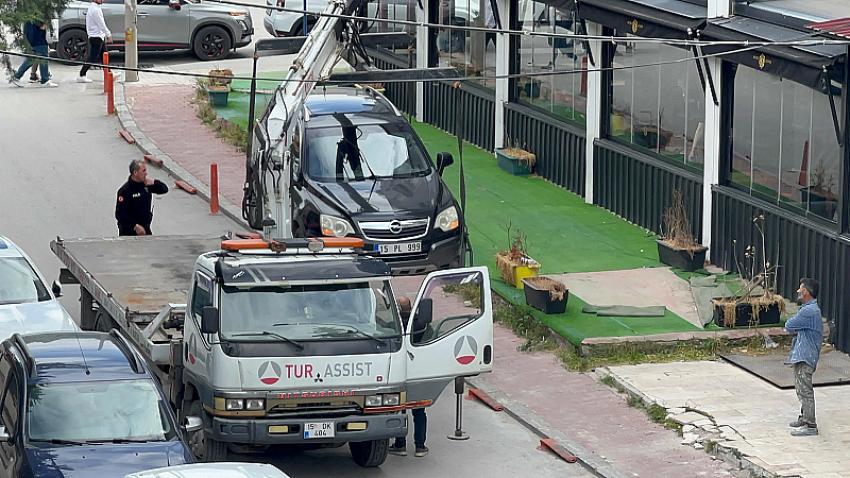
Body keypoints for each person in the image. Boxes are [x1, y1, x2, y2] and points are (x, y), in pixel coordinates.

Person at [389, 295, 428, 458]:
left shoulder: (393, 326)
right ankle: (420, 446)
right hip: (417, 373)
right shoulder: (420, 324)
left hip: (400, 373)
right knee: (419, 412)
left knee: (400, 410)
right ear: (411, 308)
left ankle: (400, 445)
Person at [785, 277, 823, 437]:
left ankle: (810, 424)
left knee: (805, 390)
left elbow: (789, 325)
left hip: (806, 357)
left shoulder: (809, 311)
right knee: (801, 388)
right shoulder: (809, 309)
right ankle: (804, 417)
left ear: (806, 292)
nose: (798, 291)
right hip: (803, 355)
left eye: (800, 289)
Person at [115, 160, 168, 236]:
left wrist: (154, 182)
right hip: (129, 231)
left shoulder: (146, 185)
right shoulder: (124, 191)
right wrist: (135, 226)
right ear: (135, 173)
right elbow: (120, 214)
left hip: (145, 228)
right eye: (143, 171)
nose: (146, 173)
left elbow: (164, 189)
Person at [8, 21, 58, 88]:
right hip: (38, 39)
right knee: (43, 58)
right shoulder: (38, 14)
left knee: (31, 59)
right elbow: (43, 26)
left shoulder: (29, 15)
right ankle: (45, 79)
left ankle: (17, 76)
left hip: (31, 37)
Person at [78, 0, 112, 83]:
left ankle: (109, 73)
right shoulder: (95, 10)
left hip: (98, 36)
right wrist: (108, 34)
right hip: (96, 36)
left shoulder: (94, 8)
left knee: (104, 55)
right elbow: (101, 24)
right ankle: (82, 74)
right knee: (93, 57)